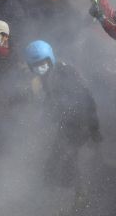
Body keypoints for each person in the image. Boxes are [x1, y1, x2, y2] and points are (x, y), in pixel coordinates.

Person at [24, 40, 101, 202]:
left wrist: (94, 128)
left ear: (50, 59)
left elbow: (87, 99)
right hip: (66, 126)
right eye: (36, 65)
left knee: (67, 161)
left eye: (43, 63)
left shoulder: (66, 73)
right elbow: (51, 103)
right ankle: (68, 196)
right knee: (60, 161)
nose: (40, 67)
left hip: (79, 125)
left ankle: (77, 197)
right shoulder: (46, 77)